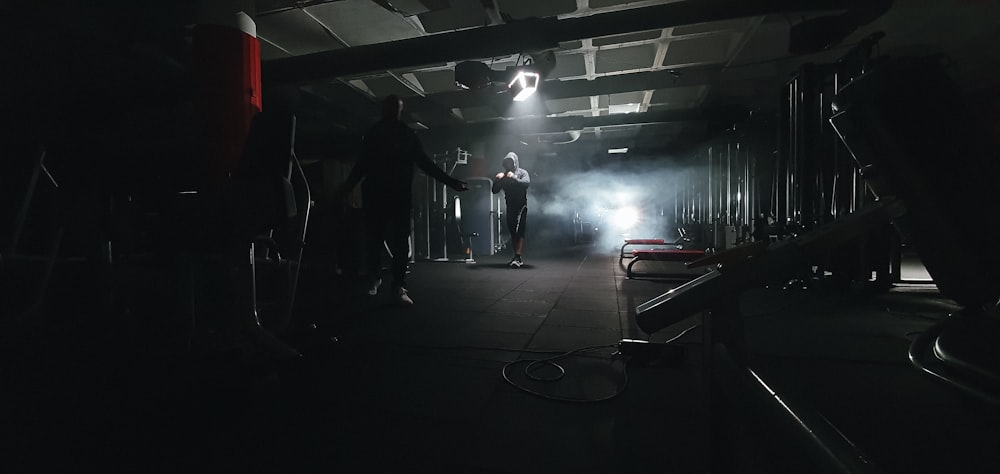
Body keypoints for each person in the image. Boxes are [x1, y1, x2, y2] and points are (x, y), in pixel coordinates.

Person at [340, 95, 468, 306]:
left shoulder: (394, 135)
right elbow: (364, 165)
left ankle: (392, 283)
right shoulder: (391, 135)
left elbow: (423, 163)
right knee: (380, 241)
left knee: (391, 243)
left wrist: (450, 181)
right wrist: (450, 181)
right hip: (385, 195)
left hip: (389, 196)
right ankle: (388, 282)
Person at [492, 151, 530, 268]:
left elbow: (526, 183)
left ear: (515, 162)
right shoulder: (503, 176)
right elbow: (494, 190)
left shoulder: (522, 173)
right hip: (510, 206)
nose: (509, 165)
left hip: (521, 205)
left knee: (519, 230)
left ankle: (518, 257)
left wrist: (514, 177)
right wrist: (497, 180)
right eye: (507, 162)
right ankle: (516, 256)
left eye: (511, 162)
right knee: (513, 231)